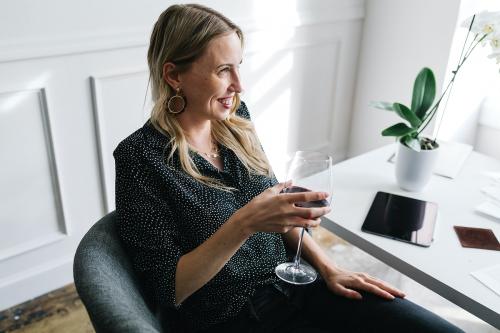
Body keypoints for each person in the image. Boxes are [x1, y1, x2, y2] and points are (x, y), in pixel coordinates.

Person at [114, 4, 464, 332]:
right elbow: (170, 290)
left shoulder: (236, 120)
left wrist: (330, 268)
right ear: (174, 75)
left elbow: (278, 213)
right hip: (230, 317)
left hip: (298, 285)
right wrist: (244, 223)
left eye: (239, 65)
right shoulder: (139, 159)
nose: (239, 85)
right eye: (223, 70)